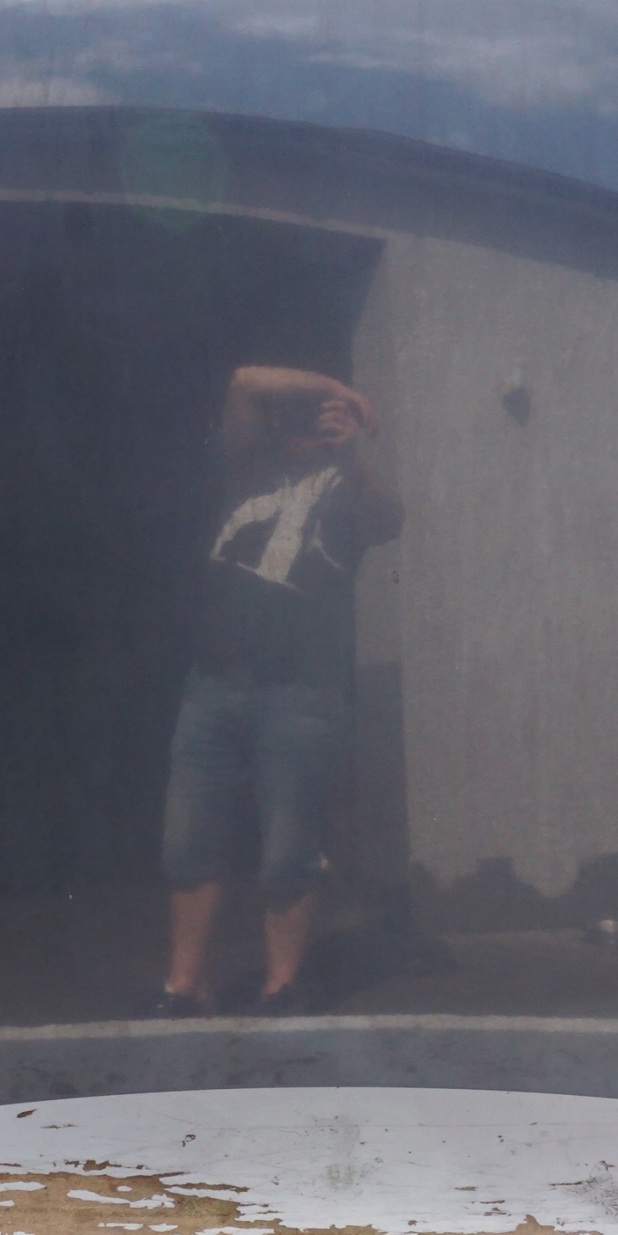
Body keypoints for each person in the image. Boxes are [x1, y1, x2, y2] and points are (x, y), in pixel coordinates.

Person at [152, 364, 403, 1017]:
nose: (307, 428)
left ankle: (282, 984)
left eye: (321, 419)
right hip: (213, 685)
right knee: (188, 842)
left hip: (301, 693)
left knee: (289, 848)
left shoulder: (348, 488)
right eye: (300, 415)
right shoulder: (247, 470)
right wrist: (338, 389)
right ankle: (183, 987)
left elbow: (389, 521)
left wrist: (350, 457)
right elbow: (242, 382)